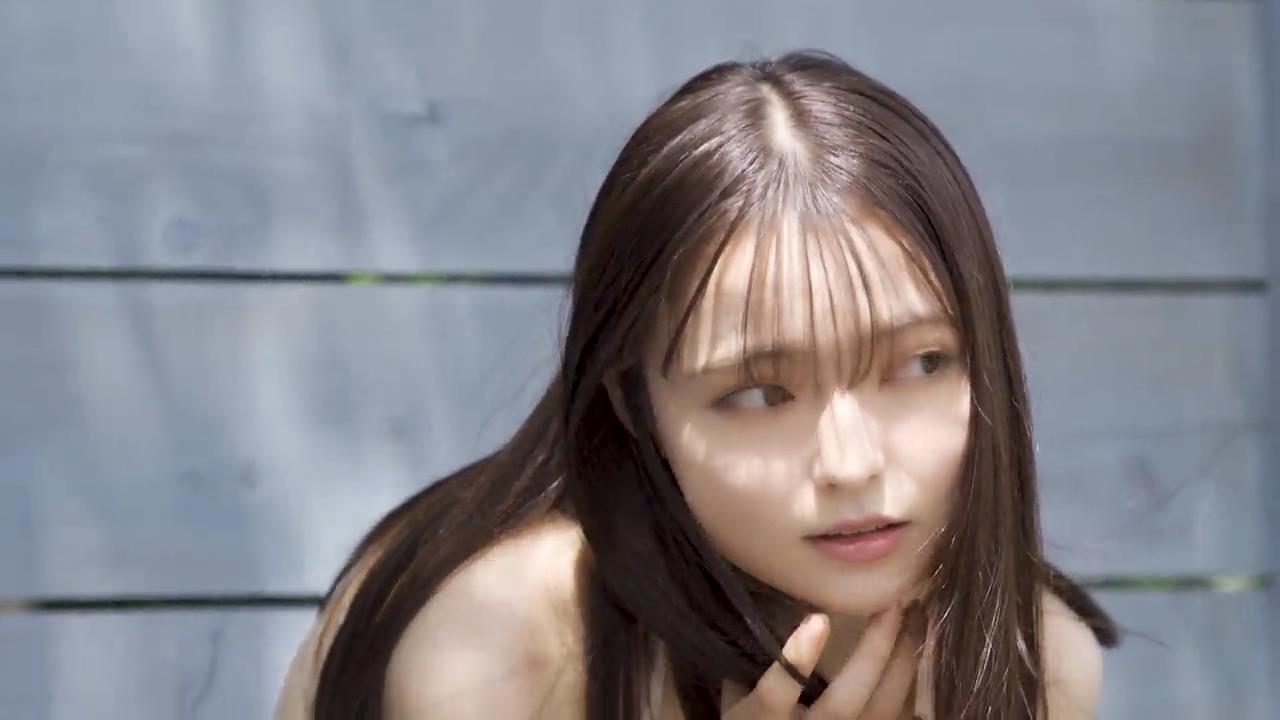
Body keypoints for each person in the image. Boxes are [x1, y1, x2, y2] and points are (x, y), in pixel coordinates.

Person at [276, 50, 1119, 719]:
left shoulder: (1038, 664)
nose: (852, 462)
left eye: (921, 363)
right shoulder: (508, 639)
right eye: (757, 395)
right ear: (634, 405)